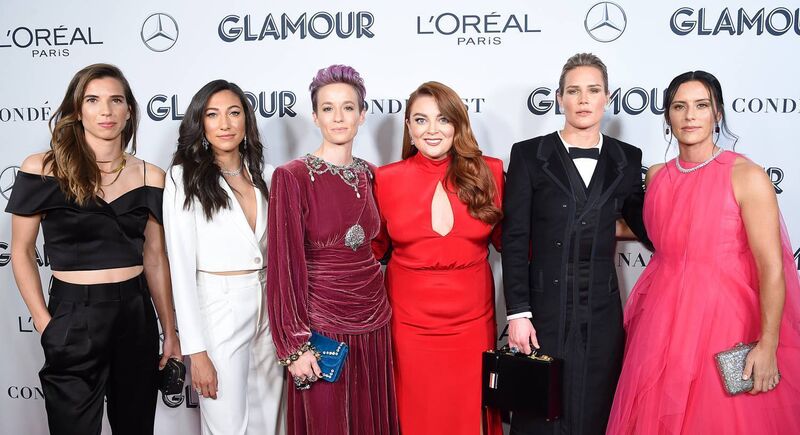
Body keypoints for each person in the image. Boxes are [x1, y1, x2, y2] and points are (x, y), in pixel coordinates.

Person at [606, 71, 800, 434]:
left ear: (718, 114)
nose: (690, 116)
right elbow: (662, 230)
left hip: (727, 320)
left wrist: (768, 344)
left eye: (701, 106)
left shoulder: (746, 175)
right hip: (661, 320)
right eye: (680, 106)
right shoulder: (658, 176)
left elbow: (772, 267)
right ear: (668, 116)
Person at [5, 63, 181, 435]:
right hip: (72, 315)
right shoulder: (42, 169)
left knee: (135, 427)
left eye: (116, 100)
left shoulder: (151, 175)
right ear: (77, 109)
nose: (106, 110)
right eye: (93, 100)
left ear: (129, 110)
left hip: (135, 315)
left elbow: (154, 257)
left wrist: (171, 331)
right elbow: (20, 252)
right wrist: (43, 322)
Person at [502, 53, 649, 435]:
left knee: (594, 407)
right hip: (542, 308)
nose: (584, 100)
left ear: (608, 97)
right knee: (538, 410)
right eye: (574, 91)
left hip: (601, 310)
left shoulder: (628, 159)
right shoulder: (528, 154)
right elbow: (515, 237)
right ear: (559, 98)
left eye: (593, 90)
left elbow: (648, 224)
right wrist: (518, 313)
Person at [266, 64, 399, 435]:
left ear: (362, 114)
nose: (338, 117)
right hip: (321, 328)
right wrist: (293, 346)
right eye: (328, 108)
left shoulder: (372, 174)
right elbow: (283, 266)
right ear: (314, 116)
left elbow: (379, 247)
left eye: (347, 107)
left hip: (375, 323)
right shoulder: (292, 176)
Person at [371, 81, 504, 435]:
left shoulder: (490, 172)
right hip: (408, 325)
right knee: (417, 415)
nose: (432, 130)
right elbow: (374, 250)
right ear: (409, 129)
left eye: (443, 119)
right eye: (421, 120)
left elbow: (517, 245)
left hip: (473, 323)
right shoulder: (384, 180)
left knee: (468, 415)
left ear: (458, 125)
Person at [163, 79, 285, 435]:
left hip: (269, 304)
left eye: (234, 113)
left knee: (274, 417)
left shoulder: (269, 175)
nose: (225, 123)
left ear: (246, 120)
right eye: (213, 115)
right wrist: (195, 351)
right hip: (218, 307)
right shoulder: (182, 178)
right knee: (226, 423)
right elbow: (181, 271)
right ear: (200, 123)